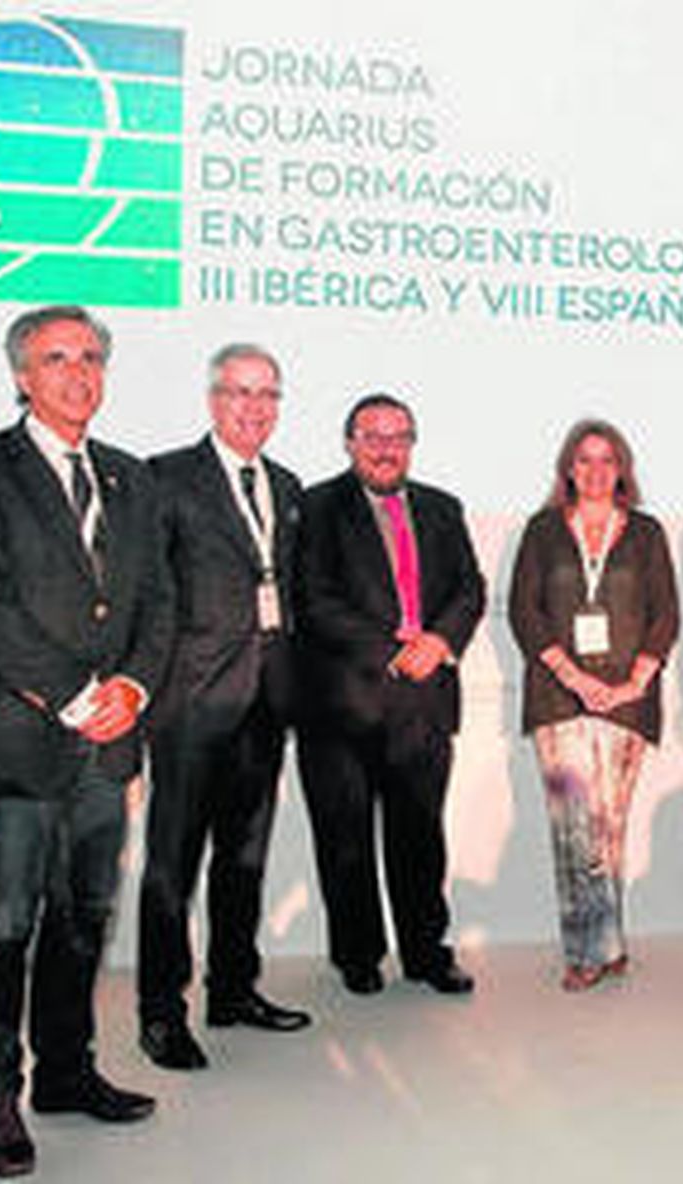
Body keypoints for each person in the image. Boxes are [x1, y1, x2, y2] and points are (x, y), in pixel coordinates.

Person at [0, 305, 172, 1177]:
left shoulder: (131, 479)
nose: (80, 372)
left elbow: (160, 606)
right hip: (16, 739)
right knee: (4, 922)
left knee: (85, 916)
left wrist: (135, 687)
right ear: (23, 377)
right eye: (58, 358)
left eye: (92, 356)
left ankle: (67, 1073)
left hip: (108, 747)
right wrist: (77, 698)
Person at [136, 344, 311, 1072]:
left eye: (268, 394)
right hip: (189, 703)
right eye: (240, 392)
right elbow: (149, 592)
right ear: (213, 399)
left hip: (266, 702)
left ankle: (233, 989)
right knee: (172, 864)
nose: (254, 407)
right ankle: (160, 1014)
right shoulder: (165, 477)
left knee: (244, 859)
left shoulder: (288, 482)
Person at [295, 393, 485, 996]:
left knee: (420, 837)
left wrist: (441, 641)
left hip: (424, 703)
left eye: (398, 436)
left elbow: (470, 589)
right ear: (349, 442)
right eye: (372, 436)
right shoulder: (317, 507)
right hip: (343, 704)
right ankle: (358, 956)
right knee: (345, 840)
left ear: (412, 443)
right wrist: (393, 650)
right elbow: (315, 599)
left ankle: (427, 952)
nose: (385, 448)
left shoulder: (442, 507)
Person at [508, 420, 680, 991]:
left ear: (622, 468)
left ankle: (607, 941)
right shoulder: (542, 530)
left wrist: (635, 681)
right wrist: (574, 676)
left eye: (608, 459)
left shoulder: (647, 532)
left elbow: (666, 615)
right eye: (585, 459)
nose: (597, 470)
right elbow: (524, 612)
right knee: (572, 830)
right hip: (559, 699)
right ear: (568, 468)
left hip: (628, 702)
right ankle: (587, 951)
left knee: (608, 829)